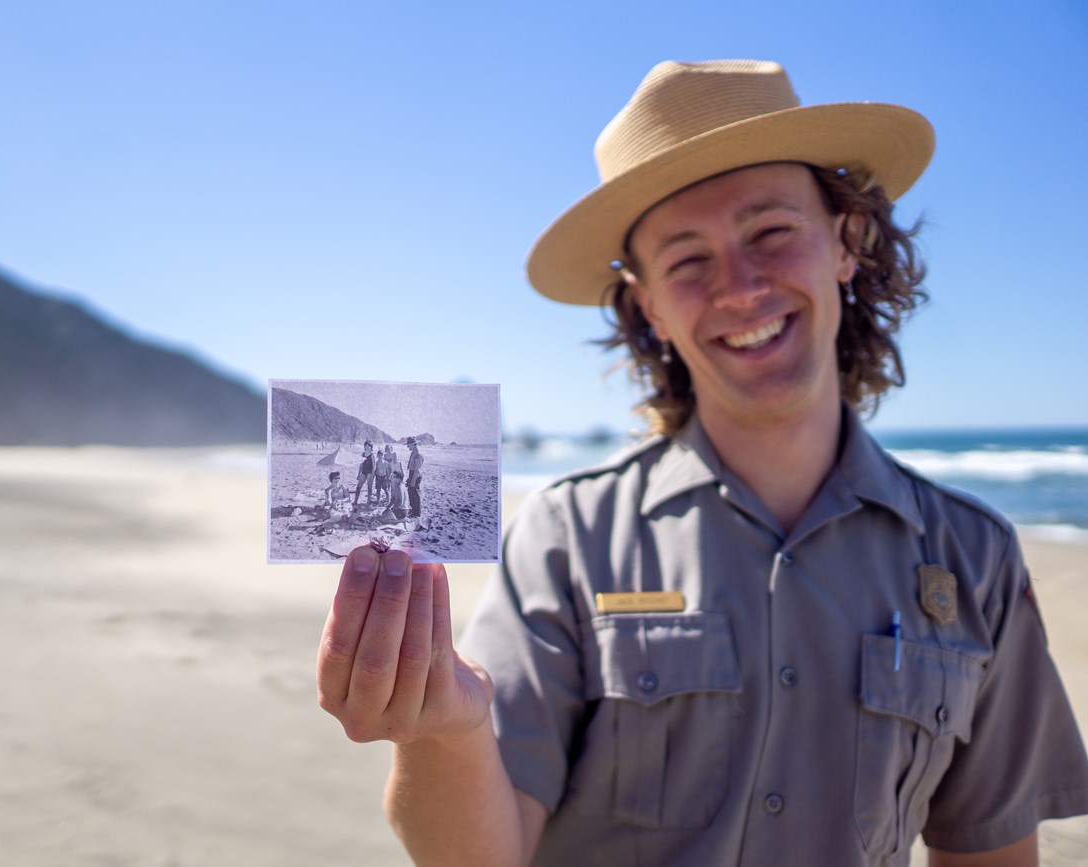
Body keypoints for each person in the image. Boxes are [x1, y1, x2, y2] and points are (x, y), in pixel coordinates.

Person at [315, 59, 1088, 866]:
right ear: (648, 303)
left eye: (771, 232)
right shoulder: (566, 534)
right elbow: (483, 855)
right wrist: (445, 731)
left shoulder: (975, 557)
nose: (740, 287)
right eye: (686, 259)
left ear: (846, 242)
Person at [404, 436, 424, 518]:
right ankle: (413, 510)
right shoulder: (413, 452)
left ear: (413, 444)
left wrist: (413, 480)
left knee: (415, 494)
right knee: (410, 492)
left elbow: (417, 470)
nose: (407, 447)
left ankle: (417, 513)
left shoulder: (418, 454)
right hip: (411, 474)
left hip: (416, 475)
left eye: (409, 445)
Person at [352, 440, 374, 506]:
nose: (367, 447)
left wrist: (372, 475)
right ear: (364, 446)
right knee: (358, 487)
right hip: (364, 472)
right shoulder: (363, 454)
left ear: (371, 447)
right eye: (366, 445)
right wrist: (358, 474)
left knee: (369, 487)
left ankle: (368, 502)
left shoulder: (372, 455)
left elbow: (374, 466)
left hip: (370, 472)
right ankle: (355, 501)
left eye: (368, 445)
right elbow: (361, 465)